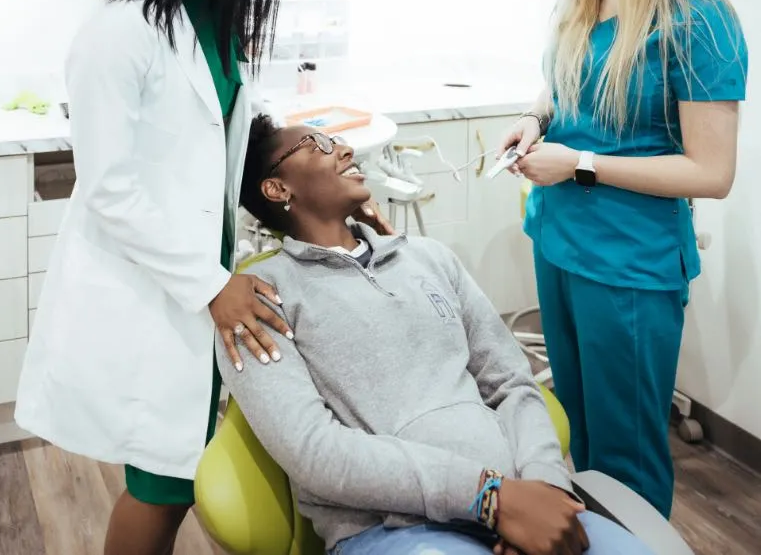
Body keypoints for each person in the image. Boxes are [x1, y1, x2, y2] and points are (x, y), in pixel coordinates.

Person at [17, 0, 304, 555]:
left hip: (200, 287)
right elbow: (111, 187)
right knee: (162, 481)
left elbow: (216, 141)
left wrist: (286, 173)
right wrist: (212, 285)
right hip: (155, 291)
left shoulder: (215, 19)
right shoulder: (120, 30)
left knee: (179, 469)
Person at [218, 114, 658, 555]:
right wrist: (488, 497)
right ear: (277, 189)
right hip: (397, 530)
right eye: (318, 145)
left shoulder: (428, 258)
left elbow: (511, 383)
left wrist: (547, 486)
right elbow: (314, 452)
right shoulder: (258, 300)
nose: (346, 149)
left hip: (524, 499)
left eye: (338, 140)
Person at [496, 0, 749, 519]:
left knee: (626, 450)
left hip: (628, 265)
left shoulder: (698, 21)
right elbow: (564, 91)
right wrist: (533, 116)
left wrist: (579, 163)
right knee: (575, 429)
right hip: (559, 240)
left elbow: (711, 172)